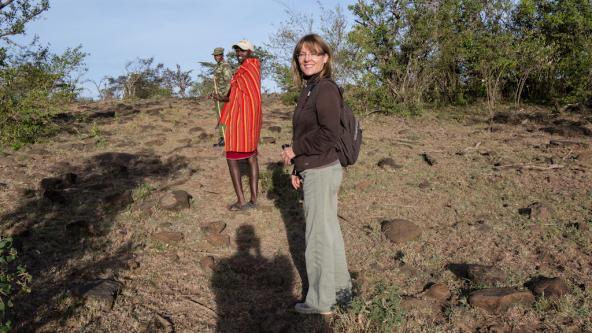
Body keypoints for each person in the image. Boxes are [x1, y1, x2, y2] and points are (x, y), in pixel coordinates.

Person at [281, 33, 352, 315]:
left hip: (322, 170)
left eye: (313, 53)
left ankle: (321, 301)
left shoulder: (325, 89)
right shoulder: (310, 89)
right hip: (315, 169)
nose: (306, 59)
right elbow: (309, 132)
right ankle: (341, 293)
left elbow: (329, 135)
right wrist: (298, 167)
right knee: (328, 233)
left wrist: (294, 150)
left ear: (325, 58)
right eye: (301, 54)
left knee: (318, 237)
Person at [214, 40, 262, 211]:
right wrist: (221, 98)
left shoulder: (250, 68)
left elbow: (250, 96)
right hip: (246, 119)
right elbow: (236, 95)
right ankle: (253, 200)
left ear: (250, 51)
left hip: (242, 119)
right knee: (251, 157)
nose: (239, 53)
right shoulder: (243, 70)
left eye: (242, 50)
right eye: (237, 51)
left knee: (232, 158)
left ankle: (243, 201)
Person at [211, 47, 232, 147]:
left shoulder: (225, 66)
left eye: (218, 55)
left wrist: (224, 96)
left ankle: (225, 138)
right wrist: (213, 93)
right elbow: (217, 82)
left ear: (222, 55)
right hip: (217, 96)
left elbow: (228, 81)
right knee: (219, 117)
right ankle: (222, 137)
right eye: (215, 55)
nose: (216, 57)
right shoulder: (217, 66)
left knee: (223, 117)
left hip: (222, 96)